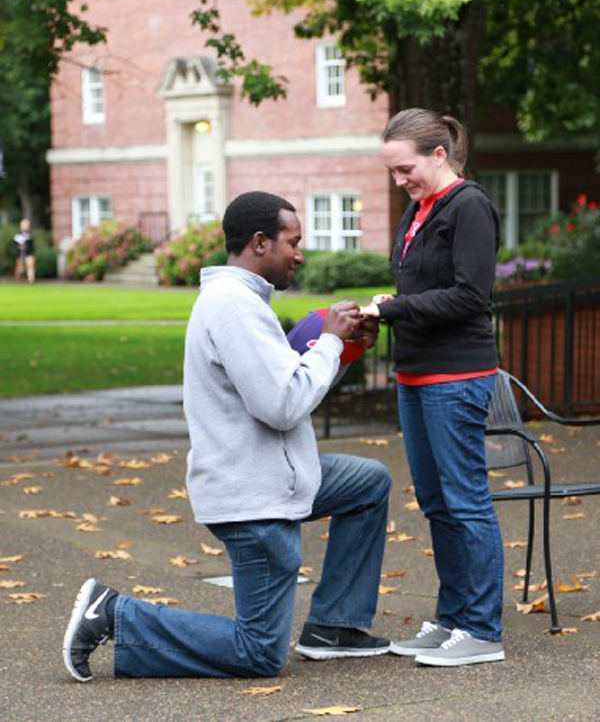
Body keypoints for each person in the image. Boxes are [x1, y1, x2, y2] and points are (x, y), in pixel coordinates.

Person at [62, 190, 392, 682]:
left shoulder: (241, 301)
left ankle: (335, 627)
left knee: (368, 483)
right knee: (259, 651)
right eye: (292, 241)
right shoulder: (233, 307)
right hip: (254, 497)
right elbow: (282, 405)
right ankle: (114, 613)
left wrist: (341, 350)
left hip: (276, 473)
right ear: (260, 243)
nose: (299, 253)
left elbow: (288, 385)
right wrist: (327, 338)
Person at [362, 108, 504, 667]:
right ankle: (451, 619)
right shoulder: (421, 208)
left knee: (466, 503)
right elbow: (423, 286)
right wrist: (385, 308)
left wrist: (391, 308)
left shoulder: (469, 206)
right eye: (393, 173)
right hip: (416, 375)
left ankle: (481, 630)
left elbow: (471, 296)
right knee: (437, 503)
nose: (400, 181)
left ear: (438, 155)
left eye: (405, 169)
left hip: (457, 376)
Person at [13, 218, 35, 283]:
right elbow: (15, 243)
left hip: (29, 252)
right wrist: (19, 244)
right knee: (19, 267)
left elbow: (31, 244)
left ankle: (31, 280)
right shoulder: (17, 235)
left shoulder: (30, 235)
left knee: (30, 265)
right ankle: (17, 280)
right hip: (20, 253)